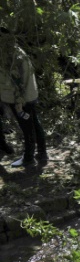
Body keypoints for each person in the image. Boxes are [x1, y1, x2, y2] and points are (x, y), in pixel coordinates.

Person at [0, 34, 46, 168]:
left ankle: (28, 158)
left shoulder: (10, 57)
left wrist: (19, 101)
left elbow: (17, 81)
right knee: (34, 123)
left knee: (27, 128)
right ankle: (42, 153)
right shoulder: (15, 51)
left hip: (21, 99)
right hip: (29, 95)